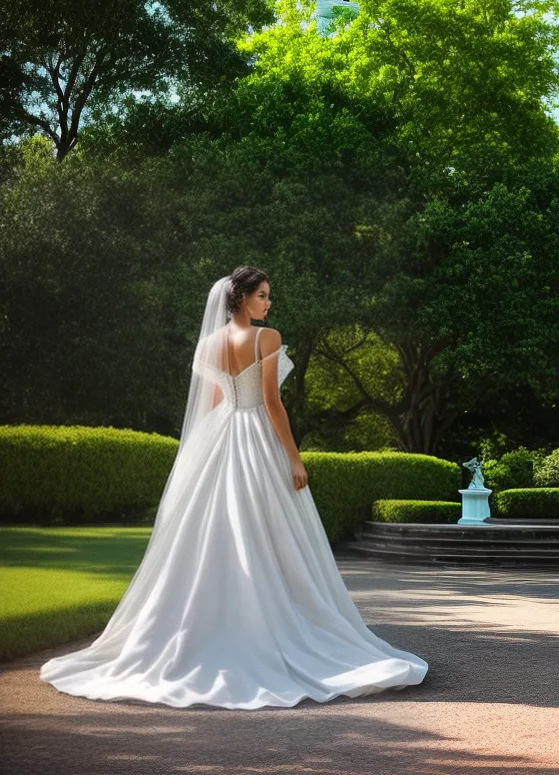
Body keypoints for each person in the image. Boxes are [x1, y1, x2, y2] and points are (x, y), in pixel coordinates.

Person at [39, 267, 428, 708]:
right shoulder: (266, 338)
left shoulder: (208, 344)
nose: (268, 303)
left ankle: (205, 627)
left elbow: (215, 402)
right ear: (242, 298)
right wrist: (294, 456)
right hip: (255, 434)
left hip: (218, 436)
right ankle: (267, 623)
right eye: (262, 295)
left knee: (211, 529)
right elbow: (271, 403)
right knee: (268, 527)